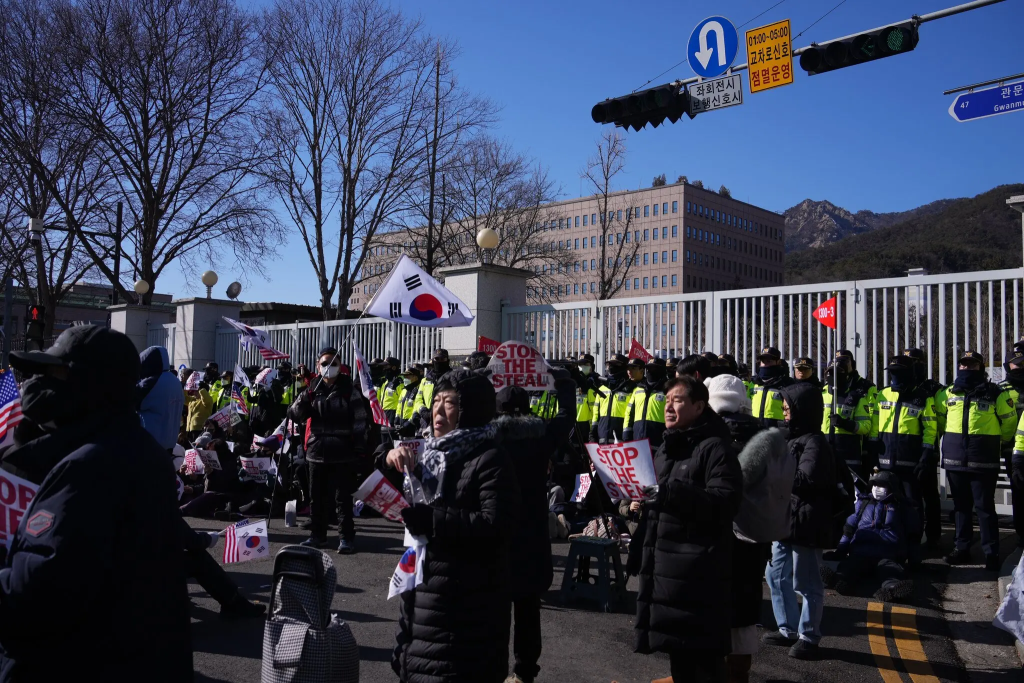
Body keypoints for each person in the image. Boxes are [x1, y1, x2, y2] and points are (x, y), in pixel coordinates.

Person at [0, 326, 192, 681]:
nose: (36, 384)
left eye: (53, 374)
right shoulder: (134, 450)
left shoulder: (90, 468)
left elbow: (40, 597)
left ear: (88, 385)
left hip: (80, 663)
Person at [384, 369, 519, 683]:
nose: (438, 411)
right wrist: (389, 461)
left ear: (470, 410)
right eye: (436, 402)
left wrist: (432, 520)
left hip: (467, 608)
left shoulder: (491, 458)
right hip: (423, 594)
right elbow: (395, 490)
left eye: (450, 403)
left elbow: (496, 525)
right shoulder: (428, 452)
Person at [634, 375, 743, 683]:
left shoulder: (715, 448)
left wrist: (670, 493)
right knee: (678, 657)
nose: (669, 407)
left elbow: (725, 502)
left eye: (678, 401)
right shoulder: (667, 447)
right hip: (665, 572)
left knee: (704, 663)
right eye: (667, 401)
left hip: (698, 574)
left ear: (699, 406)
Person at [493, 370, 575, 683]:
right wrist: (563, 383)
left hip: (498, 530)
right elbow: (566, 417)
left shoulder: (488, 437)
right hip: (532, 531)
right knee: (528, 607)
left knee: (496, 608)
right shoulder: (541, 437)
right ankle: (524, 672)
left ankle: (495, 669)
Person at [763, 382, 834, 660]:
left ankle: (809, 636)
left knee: (806, 581)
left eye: (788, 408)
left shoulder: (815, 442)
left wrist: (773, 469)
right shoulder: (792, 438)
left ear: (802, 410)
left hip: (805, 521)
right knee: (775, 575)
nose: (784, 412)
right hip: (784, 519)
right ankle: (788, 629)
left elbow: (806, 479)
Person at [707, 373, 770, 683]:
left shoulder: (711, 437)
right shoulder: (764, 437)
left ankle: (712, 673)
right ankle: (738, 674)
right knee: (744, 609)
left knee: (712, 605)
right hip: (754, 535)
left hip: (717, 533)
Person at [934, 351, 1016, 571]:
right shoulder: (947, 393)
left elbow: (1009, 422)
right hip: (955, 459)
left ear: (980, 367)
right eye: (964, 364)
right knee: (961, 507)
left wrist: (997, 443)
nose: (967, 368)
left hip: (983, 460)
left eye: (972, 365)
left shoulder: (995, 393)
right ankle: (961, 549)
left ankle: (991, 553)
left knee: (985, 508)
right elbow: (940, 420)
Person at [289, 348, 370, 554]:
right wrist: (305, 397)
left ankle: (346, 538)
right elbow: (294, 414)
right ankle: (318, 536)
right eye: (324, 363)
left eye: (333, 363)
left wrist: (359, 448)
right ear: (318, 366)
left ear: (340, 366)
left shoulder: (349, 390)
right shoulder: (312, 388)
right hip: (316, 451)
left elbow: (360, 420)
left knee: (343, 498)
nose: (328, 367)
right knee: (316, 497)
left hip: (343, 452)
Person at [875, 355, 936, 560]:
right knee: (884, 503)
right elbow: (875, 424)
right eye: (892, 372)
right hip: (885, 461)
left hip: (910, 462)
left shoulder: (923, 397)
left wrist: (925, 455)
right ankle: (887, 542)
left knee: (912, 505)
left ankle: (913, 546)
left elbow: (930, 429)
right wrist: (873, 451)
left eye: (899, 372)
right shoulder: (883, 394)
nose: (894, 377)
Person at [823, 470, 916, 602]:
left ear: (892, 487)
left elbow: (912, 534)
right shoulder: (863, 503)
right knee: (849, 567)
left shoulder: (902, 506)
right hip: (861, 552)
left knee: (891, 572)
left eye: (882, 485)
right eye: (875, 484)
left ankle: (893, 589)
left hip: (888, 554)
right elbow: (849, 529)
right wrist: (840, 551)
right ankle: (840, 581)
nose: (877, 488)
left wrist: (914, 559)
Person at [904, 348, 944, 549]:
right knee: (908, 494)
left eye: (915, 361)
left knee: (929, 494)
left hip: (927, 448)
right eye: (907, 362)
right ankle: (909, 534)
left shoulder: (934, 388)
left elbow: (941, 419)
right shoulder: (901, 386)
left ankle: (933, 535)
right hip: (905, 448)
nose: (911, 366)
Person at [822, 353, 875, 480]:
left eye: (838, 372)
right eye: (830, 372)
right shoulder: (820, 394)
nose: (833, 375)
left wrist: (845, 424)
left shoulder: (856, 397)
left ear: (846, 375)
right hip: (825, 452)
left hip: (849, 454)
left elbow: (866, 427)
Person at [138, 345, 185, 453]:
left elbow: (130, 401)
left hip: (150, 440)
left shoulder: (152, 381)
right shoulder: (175, 380)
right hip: (170, 441)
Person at [1000, 344, 1024, 545]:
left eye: (1023, 363)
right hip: (1012, 451)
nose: (1020, 366)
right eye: (1016, 364)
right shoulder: (1001, 390)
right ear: (1008, 366)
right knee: (1019, 492)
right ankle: (1021, 533)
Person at [623, 357, 669, 449]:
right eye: (649, 368)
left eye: (654, 368)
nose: (650, 371)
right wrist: (626, 434)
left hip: (659, 443)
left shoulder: (668, 390)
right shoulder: (638, 389)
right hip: (637, 440)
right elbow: (629, 413)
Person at [590, 353, 632, 444]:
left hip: (622, 440)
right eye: (610, 364)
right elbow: (596, 414)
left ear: (623, 367)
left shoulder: (630, 388)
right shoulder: (602, 388)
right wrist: (592, 434)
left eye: (615, 364)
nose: (611, 367)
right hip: (602, 439)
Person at [751, 347, 795, 429]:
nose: (765, 364)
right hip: (755, 429)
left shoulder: (786, 383)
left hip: (778, 430)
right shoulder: (754, 383)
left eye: (769, 361)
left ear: (778, 362)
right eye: (763, 361)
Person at [412, 348, 452, 422]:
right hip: (426, 421)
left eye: (442, 359)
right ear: (433, 361)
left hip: (445, 420)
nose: (439, 361)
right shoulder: (425, 380)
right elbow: (418, 399)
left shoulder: (453, 378)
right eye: (437, 359)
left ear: (448, 361)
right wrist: (422, 409)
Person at [395, 364, 424, 435]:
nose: (405, 378)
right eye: (404, 376)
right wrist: (397, 418)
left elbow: (416, 409)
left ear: (415, 377)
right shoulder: (404, 390)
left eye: (408, 376)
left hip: (413, 426)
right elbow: (399, 406)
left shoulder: (418, 390)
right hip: (402, 425)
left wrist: (409, 423)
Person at [184, 375, 214, 440]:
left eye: (196, 391)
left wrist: (201, 389)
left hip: (200, 429)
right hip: (189, 429)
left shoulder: (208, 399)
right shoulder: (193, 399)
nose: (194, 393)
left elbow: (205, 400)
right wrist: (186, 387)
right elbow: (184, 398)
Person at [379, 356, 404, 427]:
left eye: (386, 366)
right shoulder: (386, 381)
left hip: (393, 414)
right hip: (383, 413)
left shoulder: (398, 382)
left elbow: (402, 401)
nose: (384, 368)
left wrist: (398, 417)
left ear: (393, 367)